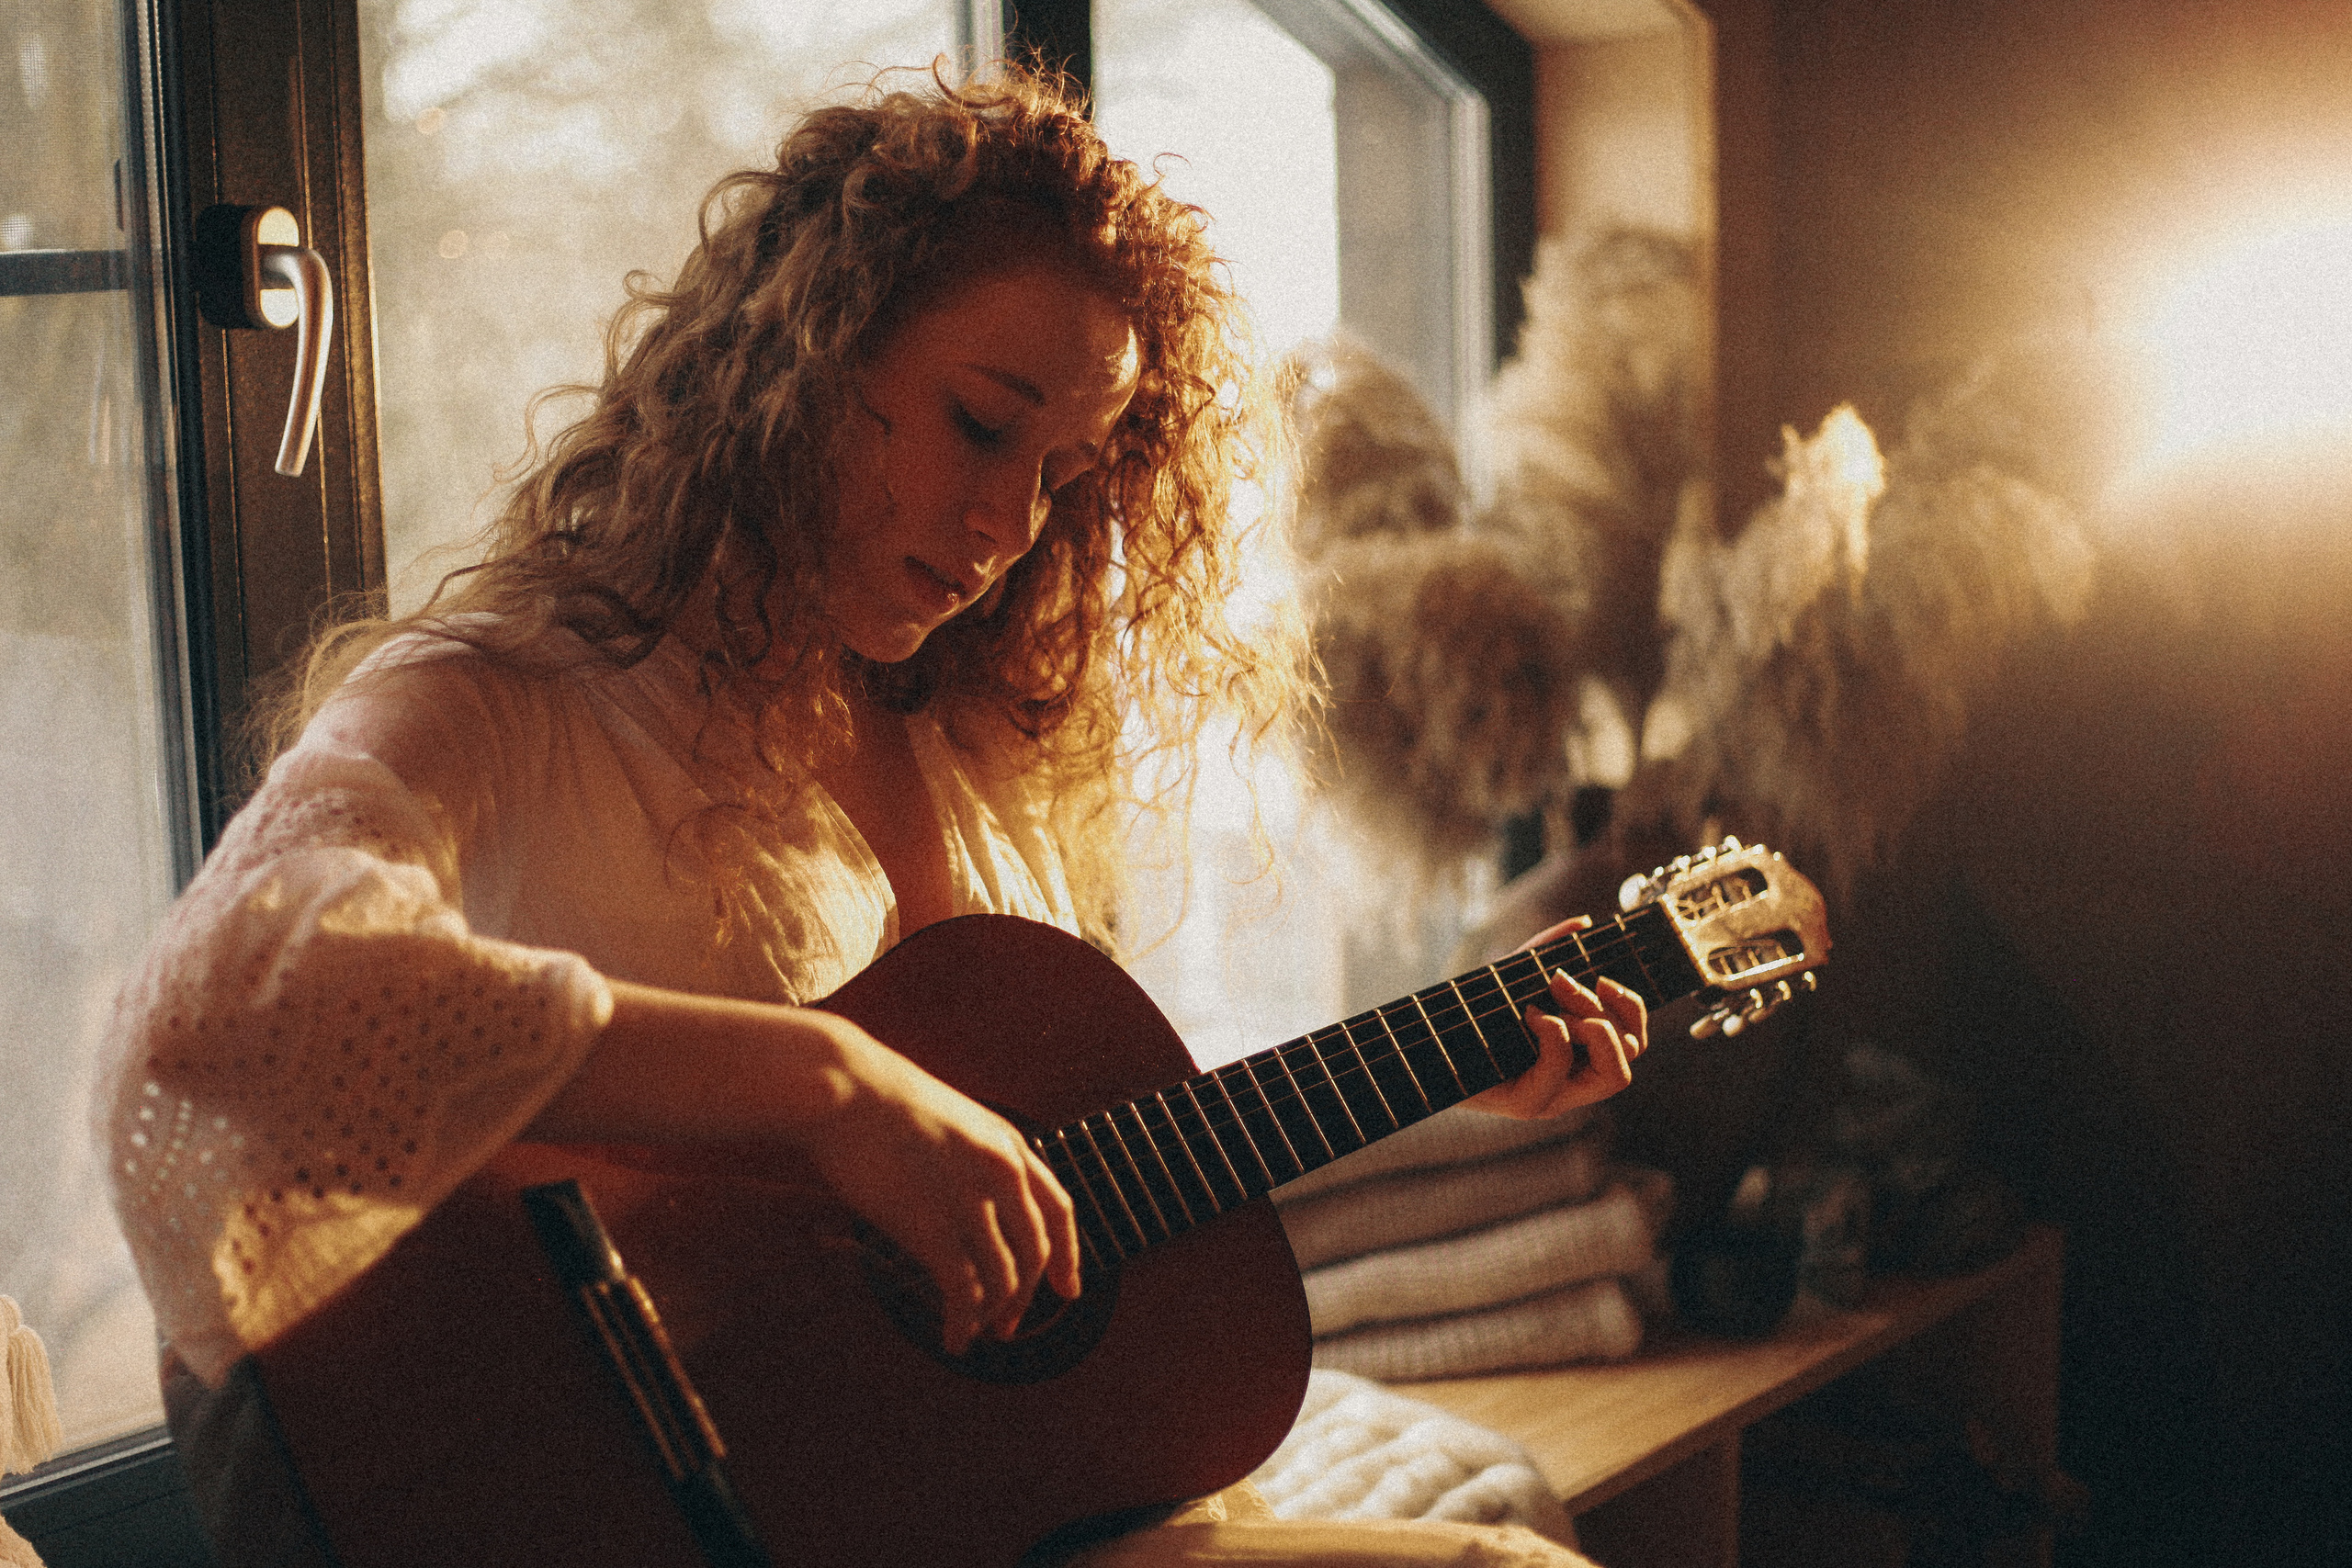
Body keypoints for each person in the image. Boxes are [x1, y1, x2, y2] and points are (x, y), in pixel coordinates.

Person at [98, 64, 1646, 1566]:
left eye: (1064, 476)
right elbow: (229, 998)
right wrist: (831, 1091)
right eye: (980, 423)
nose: (1008, 524)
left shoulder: (961, 754)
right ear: (797, 359)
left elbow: (1065, 1197)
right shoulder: (500, 697)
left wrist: (1441, 1077)